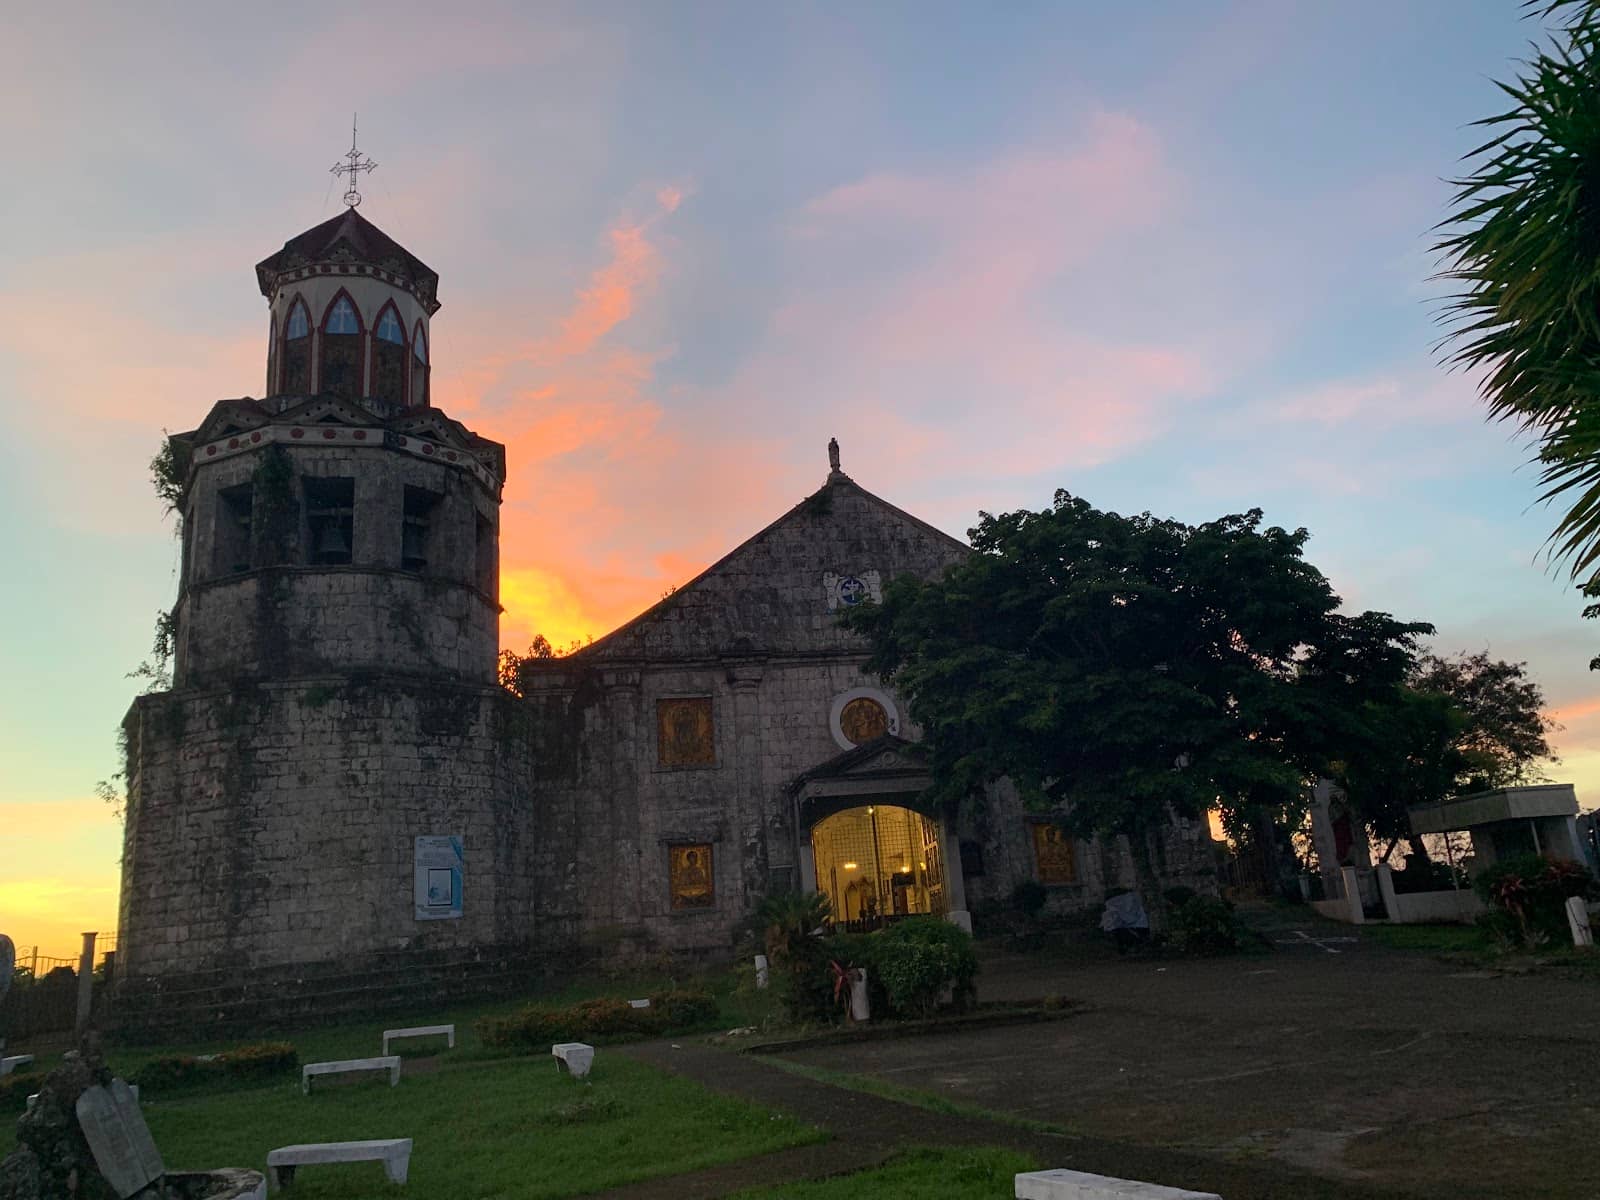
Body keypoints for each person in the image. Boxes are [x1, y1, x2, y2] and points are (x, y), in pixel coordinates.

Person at [1100, 889, 1150, 953]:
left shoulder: (1133, 905)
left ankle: (1130, 946)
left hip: (1137, 929)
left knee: (1121, 931)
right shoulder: (1124, 906)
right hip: (1131, 928)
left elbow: (1130, 919)